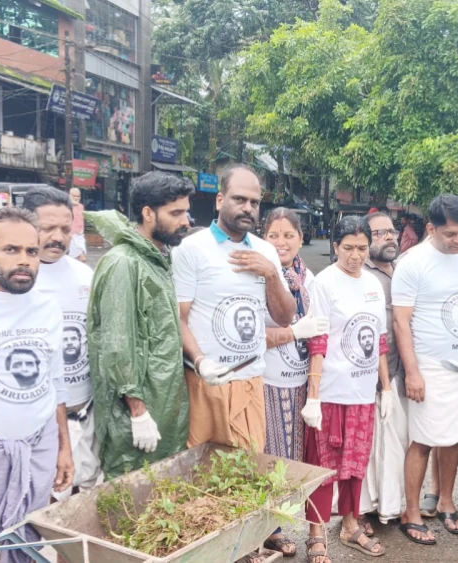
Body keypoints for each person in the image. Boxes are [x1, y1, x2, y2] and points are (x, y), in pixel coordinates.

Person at [173, 164, 295, 563]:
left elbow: (285, 316)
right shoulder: (192, 249)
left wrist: (271, 274)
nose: (248, 208)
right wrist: (200, 361)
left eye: (255, 202)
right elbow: (180, 317)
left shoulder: (265, 251)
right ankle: (210, 550)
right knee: (206, 469)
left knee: (247, 466)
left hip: (251, 379)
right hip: (206, 383)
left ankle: (244, 545)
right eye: (240, 199)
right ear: (220, 199)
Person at [0, 207, 73, 563]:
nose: (24, 260)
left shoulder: (47, 309)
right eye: (11, 249)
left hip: (39, 448)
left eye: (32, 251)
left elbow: (55, 384)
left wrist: (63, 448)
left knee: (28, 542)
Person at [86, 172, 193, 479]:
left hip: (163, 401)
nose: (185, 222)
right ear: (148, 213)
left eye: (185, 212)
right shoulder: (124, 263)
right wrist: (137, 411)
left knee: (162, 487)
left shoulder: (157, 259)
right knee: (131, 490)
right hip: (135, 411)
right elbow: (117, 343)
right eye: (176, 213)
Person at [394, 194, 458, 545]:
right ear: (431, 229)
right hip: (429, 368)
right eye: (451, 234)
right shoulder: (413, 263)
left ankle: (446, 502)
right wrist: (413, 373)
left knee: (453, 437)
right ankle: (411, 512)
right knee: (423, 440)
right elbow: (402, 322)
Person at [302, 216, 392, 563]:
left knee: (355, 464)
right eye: (349, 248)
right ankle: (316, 532)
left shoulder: (373, 284)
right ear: (336, 246)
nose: (355, 256)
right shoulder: (324, 283)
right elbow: (318, 341)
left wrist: (386, 388)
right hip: (330, 392)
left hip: (362, 393)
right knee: (322, 466)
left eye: (362, 248)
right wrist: (313, 396)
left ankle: (351, 524)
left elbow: (379, 339)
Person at [15, 187, 100, 501]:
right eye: (47, 228)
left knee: (82, 504)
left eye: (65, 229)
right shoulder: (13, 280)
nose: (58, 237)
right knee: (41, 506)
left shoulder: (84, 275)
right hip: (39, 424)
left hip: (86, 413)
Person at [261, 207, 329, 557]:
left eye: (289, 235)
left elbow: (319, 336)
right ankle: (267, 530)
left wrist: (313, 394)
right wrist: (292, 332)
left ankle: (279, 524)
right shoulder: (257, 276)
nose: (281, 242)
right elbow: (249, 336)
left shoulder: (309, 280)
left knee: (292, 460)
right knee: (266, 458)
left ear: (301, 239)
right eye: (273, 235)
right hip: (266, 383)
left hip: (299, 383)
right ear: (263, 238)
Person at [359, 210, 406, 527]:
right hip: (370, 374)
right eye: (380, 233)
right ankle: (360, 510)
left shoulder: (403, 269)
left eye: (392, 231)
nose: (389, 237)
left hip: (400, 371)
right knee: (367, 447)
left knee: (395, 444)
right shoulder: (361, 273)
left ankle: (388, 506)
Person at [67, 187, 88, 262]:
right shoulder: (66, 206)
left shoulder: (81, 206)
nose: (76, 198)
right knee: (71, 257)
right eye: (74, 196)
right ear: (69, 195)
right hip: (70, 234)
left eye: (78, 196)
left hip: (79, 234)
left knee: (83, 257)